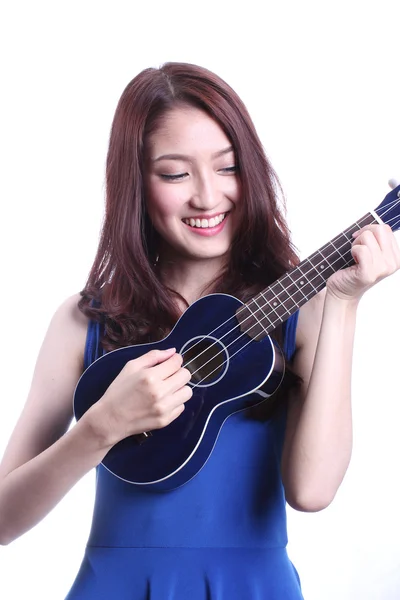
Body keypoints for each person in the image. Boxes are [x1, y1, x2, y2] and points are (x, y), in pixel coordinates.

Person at [0, 62, 399, 600]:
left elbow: (312, 490)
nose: (207, 197)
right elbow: (4, 521)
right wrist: (98, 429)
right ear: (134, 182)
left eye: (228, 167)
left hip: (252, 586)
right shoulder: (84, 322)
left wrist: (345, 302)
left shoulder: (301, 315)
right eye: (175, 174)